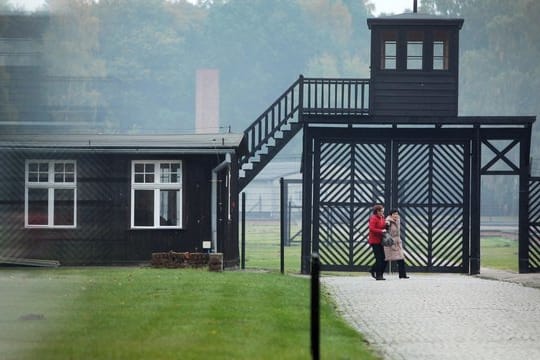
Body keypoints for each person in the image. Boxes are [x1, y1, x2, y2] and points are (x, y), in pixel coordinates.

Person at [383, 209, 409, 279]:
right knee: (386, 259)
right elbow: (385, 229)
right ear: (391, 215)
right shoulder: (388, 221)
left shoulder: (398, 220)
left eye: (397, 214)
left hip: (397, 242)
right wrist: (387, 225)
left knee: (401, 258)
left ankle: (402, 275)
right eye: (394, 214)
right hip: (390, 242)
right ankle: (376, 271)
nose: (396, 215)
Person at [368, 204, 388, 280]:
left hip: (380, 240)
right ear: (377, 211)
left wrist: (386, 225)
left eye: (383, 211)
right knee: (379, 258)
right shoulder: (373, 218)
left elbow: (383, 226)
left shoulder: (382, 217)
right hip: (374, 241)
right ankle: (379, 275)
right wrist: (381, 231)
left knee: (383, 258)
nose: (383, 212)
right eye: (381, 211)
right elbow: (371, 228)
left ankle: (373, 269)